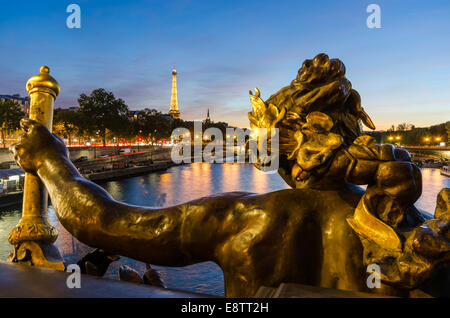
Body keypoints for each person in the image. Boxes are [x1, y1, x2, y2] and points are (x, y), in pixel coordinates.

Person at [10, 54, 449, 297]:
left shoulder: (253, 217)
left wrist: (51, 159)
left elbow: (102, 223)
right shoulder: (414, 225)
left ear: (284, 143)